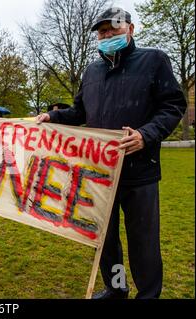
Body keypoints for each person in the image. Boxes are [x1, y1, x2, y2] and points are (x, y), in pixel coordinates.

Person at [36, 7, 187, 299]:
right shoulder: (92, 71)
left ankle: (148, 294)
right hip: (100, 173)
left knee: (143, 242)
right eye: (102, 31)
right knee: (105, 240)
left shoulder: (155, 60)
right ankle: (116, 289)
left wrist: (147, 134)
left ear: (130, 29)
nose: (107, 35)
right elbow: (79, 111)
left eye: (113, 29)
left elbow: (172, 105)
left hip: (140, 172)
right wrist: (52, 118)